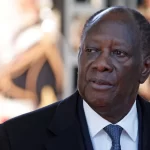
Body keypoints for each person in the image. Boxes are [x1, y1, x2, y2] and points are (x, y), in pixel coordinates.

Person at [0, 6, 150, 150]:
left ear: (145, 68)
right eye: (91, 50)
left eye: (118, 53)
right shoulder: (16, 138)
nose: (101, 64)